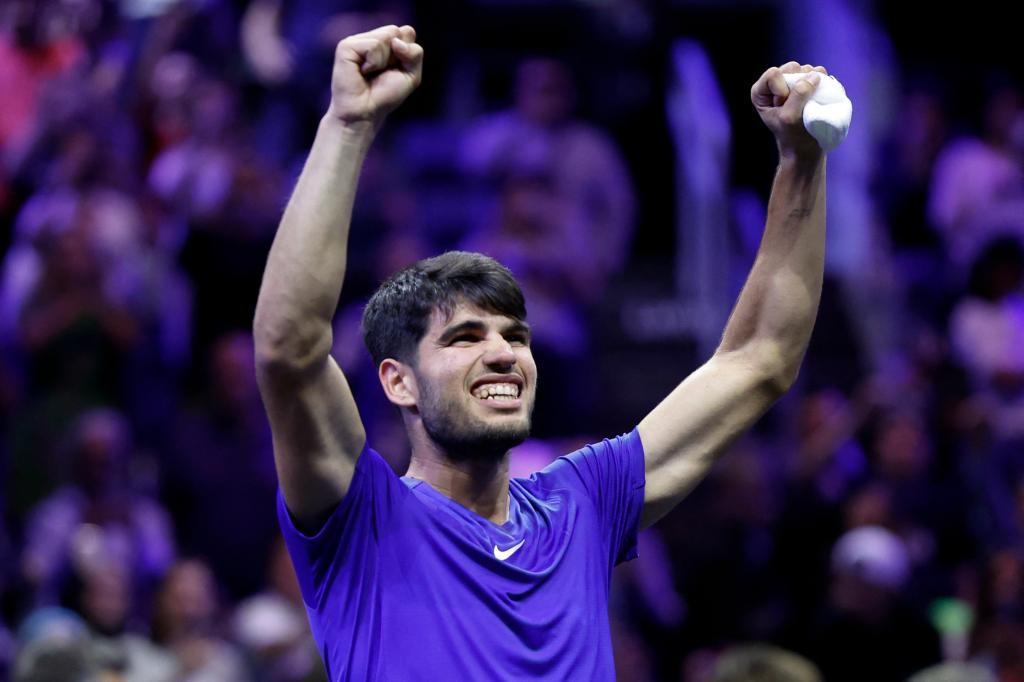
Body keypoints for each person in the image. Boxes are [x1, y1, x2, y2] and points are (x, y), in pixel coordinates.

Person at [253, 24, 830, 681]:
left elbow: (760, 357)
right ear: (398, 382)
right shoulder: (362, 519)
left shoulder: (582, 502)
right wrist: (348, 124)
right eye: (465, 337)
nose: (503, 353)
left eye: (515, 336)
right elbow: (287, 344)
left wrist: (801, 162)